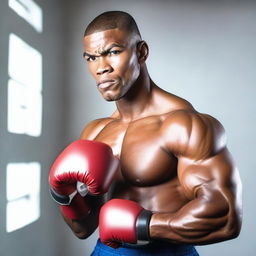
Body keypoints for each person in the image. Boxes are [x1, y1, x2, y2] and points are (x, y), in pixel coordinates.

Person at [49, 11, 242, 256]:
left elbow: (226, 217)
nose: (101, 68)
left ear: (141, 52)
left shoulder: (183, 124)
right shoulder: (95, 131)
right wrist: (64, 196)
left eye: (113, 52)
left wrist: (144, 226)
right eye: (91, 58)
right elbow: (83, 229)